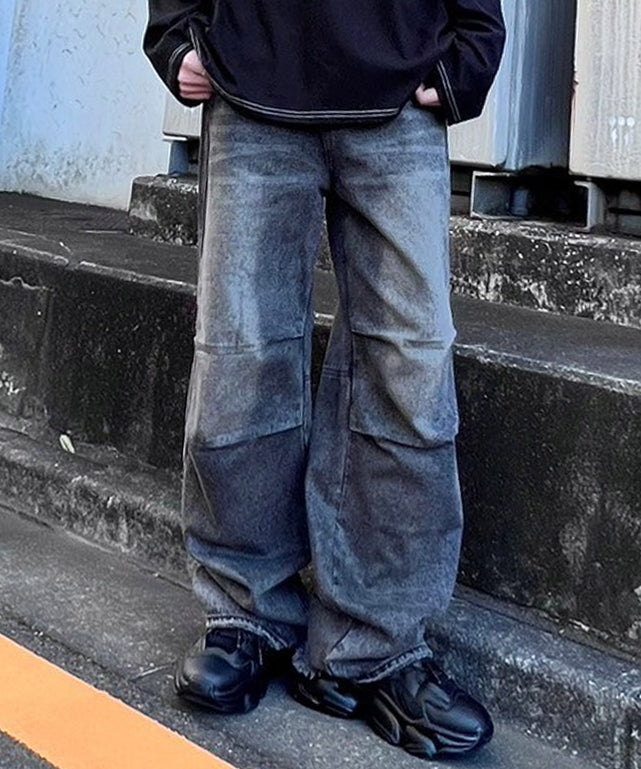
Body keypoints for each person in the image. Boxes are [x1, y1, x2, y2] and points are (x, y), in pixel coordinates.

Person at [144, 0, 505, 760]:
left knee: (409, 365)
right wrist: (175, 32)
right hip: (251, 83)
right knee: (240, 356)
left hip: (399, 88)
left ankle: (375, 643)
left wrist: (473, 45)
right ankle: (246, 612)